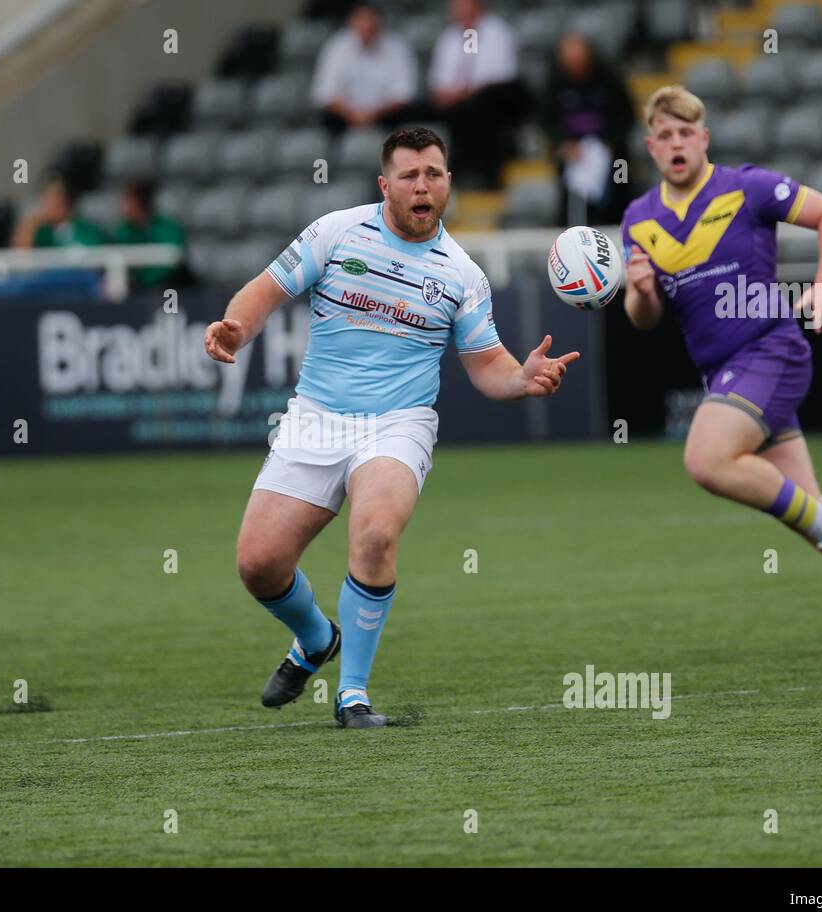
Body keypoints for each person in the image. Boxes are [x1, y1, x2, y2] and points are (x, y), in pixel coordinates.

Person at [204, 127, 578, 728]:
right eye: (410, 175)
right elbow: (265, 291)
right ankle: (314, 638)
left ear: (449, 183)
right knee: (258, 564)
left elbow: (488, 367)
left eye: (434, 173)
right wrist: (234, 329)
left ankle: (352, 695)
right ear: (386, 185)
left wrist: (524, 378)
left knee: (376, 533)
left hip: (398, 423)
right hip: (318, 418)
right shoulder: (336, 232)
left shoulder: (461, 274)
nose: (423, 185)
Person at [621, 86, 822, 652]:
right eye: (664, 135)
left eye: (686, 132)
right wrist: (641, 292)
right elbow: (642, 320)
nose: (676, 143)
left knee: (705, 459)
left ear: (704, 139)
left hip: (772, 350)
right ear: (650, 146)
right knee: (808, 513)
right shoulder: (638, 219)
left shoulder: (746, 185)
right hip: (722, 373)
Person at [537, 33, 636, 226]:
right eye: (570, 63)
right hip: (572, 155)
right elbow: (545, 120)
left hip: (612, 152)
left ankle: (619, 229)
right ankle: (570, 234)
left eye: (579, 62)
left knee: (620, 183)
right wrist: (563, 144)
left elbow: (626, 115)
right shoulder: (555, 83)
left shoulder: (610, 78)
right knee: (570, 195)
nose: (576, 68)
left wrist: (608, 142)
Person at [427, 0, 526, 188]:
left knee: (481, 105)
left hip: (493, 98)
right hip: (457, 103)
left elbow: (503, 74)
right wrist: (447, 94)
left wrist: (467, 91)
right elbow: (438, 80)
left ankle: (488, 177)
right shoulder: (447, 38)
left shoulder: (498, 32)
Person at [312, 3, 417, 134]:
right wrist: (353, 114)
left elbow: (404, 94)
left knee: (407, 119)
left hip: (386, 116)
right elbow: (326, 93)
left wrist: (373, 114)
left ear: (380, 22)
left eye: (371, 19)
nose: (367, 24)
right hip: (344, 117)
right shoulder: (336, 46)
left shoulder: (398, 46)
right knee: (326, 120)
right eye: (362, 19)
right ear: (351, 21)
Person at [109, 180, 184, 289]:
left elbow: (173, 261)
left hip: (170, 287)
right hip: (136, 290)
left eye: (127, 201)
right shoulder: (122, 231)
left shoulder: (168, 229)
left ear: (140, 202)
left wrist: (144, 277)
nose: (122, 206)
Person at [11, 172, 107, 249]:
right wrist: (29, 226)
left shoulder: (87, 231)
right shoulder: (42, 233)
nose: (45, 205)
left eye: (51, 199)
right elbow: (20, 261)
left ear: (67, 202)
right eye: (45, 198)